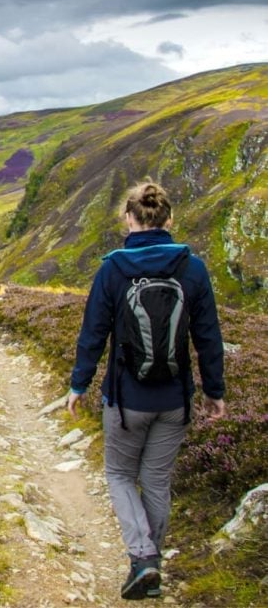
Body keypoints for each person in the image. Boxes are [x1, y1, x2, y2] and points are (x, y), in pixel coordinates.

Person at [67, 181, 225, 601]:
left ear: (129, 219)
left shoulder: (113, 269)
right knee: (156, 480)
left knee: (119, 474)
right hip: (175, 400)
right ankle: (150, 561)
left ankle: (142, 558)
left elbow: (93, 334)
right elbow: (208, 336)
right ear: (168, 220)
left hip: (126, 402)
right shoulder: (192, 269)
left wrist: (78, 384)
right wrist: (215, 391)